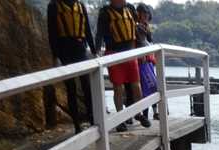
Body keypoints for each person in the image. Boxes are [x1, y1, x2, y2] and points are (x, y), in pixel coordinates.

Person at [96, 0, 150, 131]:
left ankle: (139, 113)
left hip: (130, 52)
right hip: (113, 54)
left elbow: (139, 24)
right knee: (118, 88)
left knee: (136, 85)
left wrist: (142, 48)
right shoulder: (105, 12)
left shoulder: (130, 8)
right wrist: (97, 51)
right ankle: (120, 119)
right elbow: (100, 34)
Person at [47, 0, 96, 134]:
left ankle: (92, 119)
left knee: (86, 85)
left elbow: (87, 30)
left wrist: (93, 50)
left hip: (80, 49)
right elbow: (52, 32)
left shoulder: (80, 5)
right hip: (65, 50)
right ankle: (77, 125)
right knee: (71, 88)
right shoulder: (54, 5)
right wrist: (55, 55)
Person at [135, 3, 159, 121]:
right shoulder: (137, 27)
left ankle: (154, 112)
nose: (145, 16)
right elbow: (142, 43)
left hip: (149, 61)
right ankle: (145, 114)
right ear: (138, 14)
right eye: (143, 14)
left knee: (152, 86)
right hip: (142, 61)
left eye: (147, 14)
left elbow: (150, 42)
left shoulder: (146, 26)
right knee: (146, 88)